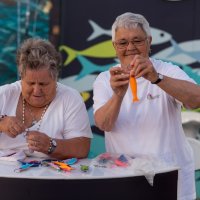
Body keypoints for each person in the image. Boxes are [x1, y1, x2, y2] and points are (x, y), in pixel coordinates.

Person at [93, 12, 199, 200]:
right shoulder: (104, 80)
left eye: (137, 41)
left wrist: (156, 78)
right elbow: (104, 124)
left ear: (149, 42)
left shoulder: (166, 70)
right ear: (114, 46)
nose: (130, 48)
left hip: (170, 176)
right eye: (123, 42)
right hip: (124, 177)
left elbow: (196, 100)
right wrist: (118, 95)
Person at [0, 38, 92, 160]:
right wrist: (1, 124)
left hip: (54, 177)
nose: (37, 90)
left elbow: (82, 148)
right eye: (31, 83)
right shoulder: (4, 94)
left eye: (43, 84)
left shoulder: (70, 98)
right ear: (21, 77)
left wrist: (51, 145)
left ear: (56, 79)